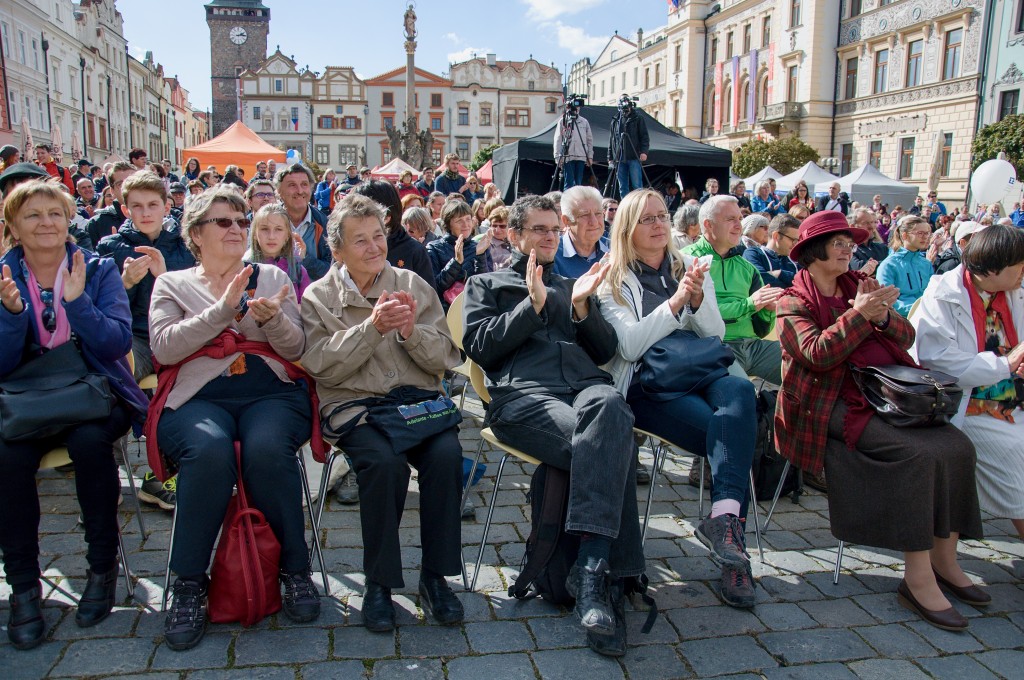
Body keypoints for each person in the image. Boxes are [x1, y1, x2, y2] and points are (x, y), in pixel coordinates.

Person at [776, 209, 985, 632]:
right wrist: (860, 316)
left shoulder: (859, 285)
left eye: (849, 243)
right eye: (838, 243)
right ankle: (917, 576)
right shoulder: (792, 300)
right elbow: (817, 354)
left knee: (958, 446)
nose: (848, 250)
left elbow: (907, 338)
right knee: (917, 455)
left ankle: (945, 560)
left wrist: (883, 316)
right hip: (827, 405)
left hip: (884, 397)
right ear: (813, 250)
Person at [463, 194, 644, 657]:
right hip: (524, 399)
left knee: (612, 409)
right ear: (516, 235)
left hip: (585, 392)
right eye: (537, 230)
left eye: (552, 230)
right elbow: (480, 348)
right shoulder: (486, 283)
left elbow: (604, 351)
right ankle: (606, 579)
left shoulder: (572, 283)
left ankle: (589, 568)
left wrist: (582, 306)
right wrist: (532, 306)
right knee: (611, 446)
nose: (547, 237)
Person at [150, 186, 321, 650]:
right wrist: (223, 310)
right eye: (223, 222)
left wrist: (271, 320)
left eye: (241, 222)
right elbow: (163, 347)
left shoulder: (268, 276)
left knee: (267, 448)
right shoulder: (172, 283)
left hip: (270, 393)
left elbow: (297, 349)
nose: (236, 229)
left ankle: (294, 569)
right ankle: (187, 583)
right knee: (207, 450)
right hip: (198, 397)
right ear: (195, 233)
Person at [300, 193, 465, 633]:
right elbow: (319, 364)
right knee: (384, 463)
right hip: (359, 409)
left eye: (378, 236)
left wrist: (411, 332)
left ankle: (435, 577)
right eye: (360, 241)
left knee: (447, 455)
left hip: (415, 405)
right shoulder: (318, 296)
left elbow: (446, 356)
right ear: (337, 251)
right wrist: (371, 329)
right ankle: (380, 583)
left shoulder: (411, 284)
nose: (374, 247)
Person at [0, 180, 148, 649]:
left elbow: (114, 344)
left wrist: (77, 302)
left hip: (94, 395)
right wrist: (9, 314)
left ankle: (101, 569)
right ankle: (24, 586)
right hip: (25, 402)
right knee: (9, 457)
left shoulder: (98, 269)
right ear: (13, 228)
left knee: (89, 445)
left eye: (55, 213)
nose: (46, 223)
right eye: (33, 215)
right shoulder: (3, 276)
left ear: (69, 221)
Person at [598, 188, 759, 608]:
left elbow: (716, 335)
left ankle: (724, 523)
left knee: (741, 389)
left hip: (701, 366)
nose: (658, 225)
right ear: (627, 228)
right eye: (646, 219)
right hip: (650, 384)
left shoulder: (686, 263)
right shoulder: (611, 278)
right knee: (727, 434)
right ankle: (735, 557)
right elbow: (630, 346)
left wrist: (699, 297)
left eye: (662, 216)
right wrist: (675, 302)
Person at [913, 224, 1024, 543]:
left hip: (1012, 398)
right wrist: (1006, 364)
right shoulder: (944, 293)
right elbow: (938, 360)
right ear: (992, 269)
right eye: (1019, 266)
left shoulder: (1014, 289)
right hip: (967, 404)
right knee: (1015, 452)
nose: (1023, 272)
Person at [96, 171, 195, 511]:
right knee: (115, 377)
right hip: (134, 335)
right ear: (125, 209)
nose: (145, 212)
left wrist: (163, 276)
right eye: (136, 206)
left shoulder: (184, 244)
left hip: (173, 332)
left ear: (167, 206)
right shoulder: (111, 247)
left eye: (153, 205)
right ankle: (103, 482)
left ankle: (164, 471)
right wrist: (122, 284)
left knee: (187, 382)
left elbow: (196, 297)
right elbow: (99, 309)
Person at [683, 196, 784, 384]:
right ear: (708, 224)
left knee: (806, 368)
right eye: (730, 219)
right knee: (743, 391)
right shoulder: (686, 260)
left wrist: (767, 310)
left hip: (753, 347)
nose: (739, 225)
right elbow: (697, 316)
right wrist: (750, 304)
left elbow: (761, 329)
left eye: (739, 218)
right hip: (711, 348)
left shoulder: (747, 268)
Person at [351, 180, 435, 290]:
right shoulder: (347, 247)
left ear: (386, 216)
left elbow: (428, 301)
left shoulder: (414, 251)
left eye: (362, 212)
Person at [426, 197, 491, 306]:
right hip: (445, 310)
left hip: (473, 308)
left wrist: (480, 257)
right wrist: (455, 263)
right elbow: (435, 287)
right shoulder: (434, 248)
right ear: (448, 223)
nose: (465, 225)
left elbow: (484, 287)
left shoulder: (480, 247)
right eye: (459, 221)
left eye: (468, 219)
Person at [275, 164, 331, 281]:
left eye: (304, 185)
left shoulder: (324, 223)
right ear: (279, 191)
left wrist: (304, 259)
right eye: (292, 185)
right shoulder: (268, 222)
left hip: (312, 296)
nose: (300, 191)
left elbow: (331, 270)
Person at [247, 204, 311, 300]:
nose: (271, 236)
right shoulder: (245, 268)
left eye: (278, 229)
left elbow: (307, 308)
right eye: (264, 229)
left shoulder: (298, 270)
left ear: (287, 235)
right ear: (255, 234)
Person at [877, 216, 933, 317]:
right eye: (920, 233)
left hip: (927, 316)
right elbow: (885, 300)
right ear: (905, 236)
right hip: (901, 320)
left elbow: (932, 293)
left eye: (927, 233)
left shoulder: (926, 264)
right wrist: (916, 309)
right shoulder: (889, 265)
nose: (925, 237)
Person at [554, 186, 610, 278]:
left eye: (598, 214)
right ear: (566, 220)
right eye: (585, 215)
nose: (594, 222)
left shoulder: (615, 249)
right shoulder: (552, 254)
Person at [84, 162, 136, 247]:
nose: (128, 188)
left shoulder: (154, 217)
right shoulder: (97, 223)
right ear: (112, 191)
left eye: (133, 182)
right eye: (120, 184)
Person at [743, 213, 799, 288]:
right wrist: (792, 283)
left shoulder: (795, 260)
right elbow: (759, 280)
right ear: (776, 236)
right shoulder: (753, 253)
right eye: (793, 240)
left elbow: (808, 283)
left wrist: (780, 273)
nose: (795, 244)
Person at [612, 97, 649, 198]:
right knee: (622, 186)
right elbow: (612, 139)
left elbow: (644, 136)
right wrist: (610, 156)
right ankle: (625, 206)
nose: (626, 110)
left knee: (637, 185)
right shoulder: (616, 120)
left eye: (628, 107)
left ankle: (638, 205)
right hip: (620, 157)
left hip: (634, 155)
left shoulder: (637, 118)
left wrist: (644, 151)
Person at [553, 109, 594, 190]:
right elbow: (558, 138)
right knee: (569, 182)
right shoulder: (563, 121)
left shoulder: (584, 121)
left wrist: (590, 156)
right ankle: (567, 200)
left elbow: (589, 139)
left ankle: (576, 201)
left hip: (581, 155)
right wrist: (557, 155)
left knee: (578, 182)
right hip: (568, 155)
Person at [848, 209, 887, 276]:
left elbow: (894, 263)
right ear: (853, 226)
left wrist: (873, 265)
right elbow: (859, 267)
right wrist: (885, 263)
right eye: (865, 223)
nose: (871, 227)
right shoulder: (848, 249)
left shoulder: (882, 247)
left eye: (871, 222)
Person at [481, 205, 514, 271]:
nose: (497, 230)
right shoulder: (486, 245)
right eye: (494, 226)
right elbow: (487, 269)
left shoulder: (515, 241)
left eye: (502, 226)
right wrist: (509, 262)